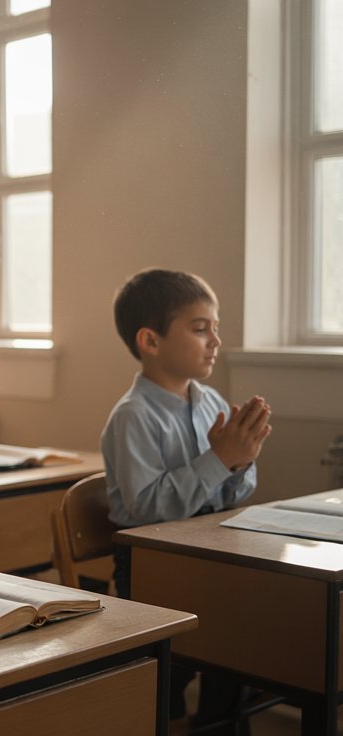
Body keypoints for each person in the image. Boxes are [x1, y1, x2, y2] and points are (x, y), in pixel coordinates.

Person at [103, 268, 270, 731]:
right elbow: (147, 508)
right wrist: (219, 458)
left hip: (206, 552)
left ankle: (220, 722)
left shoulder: (211, 400)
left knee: (245, 638)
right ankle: (168, 719)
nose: (214, 340)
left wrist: (238, 463)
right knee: (189, 664)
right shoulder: (133, 416)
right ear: (150, 341)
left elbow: (234, 493)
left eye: (215, 328)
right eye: (200, 329)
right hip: (152, 564)